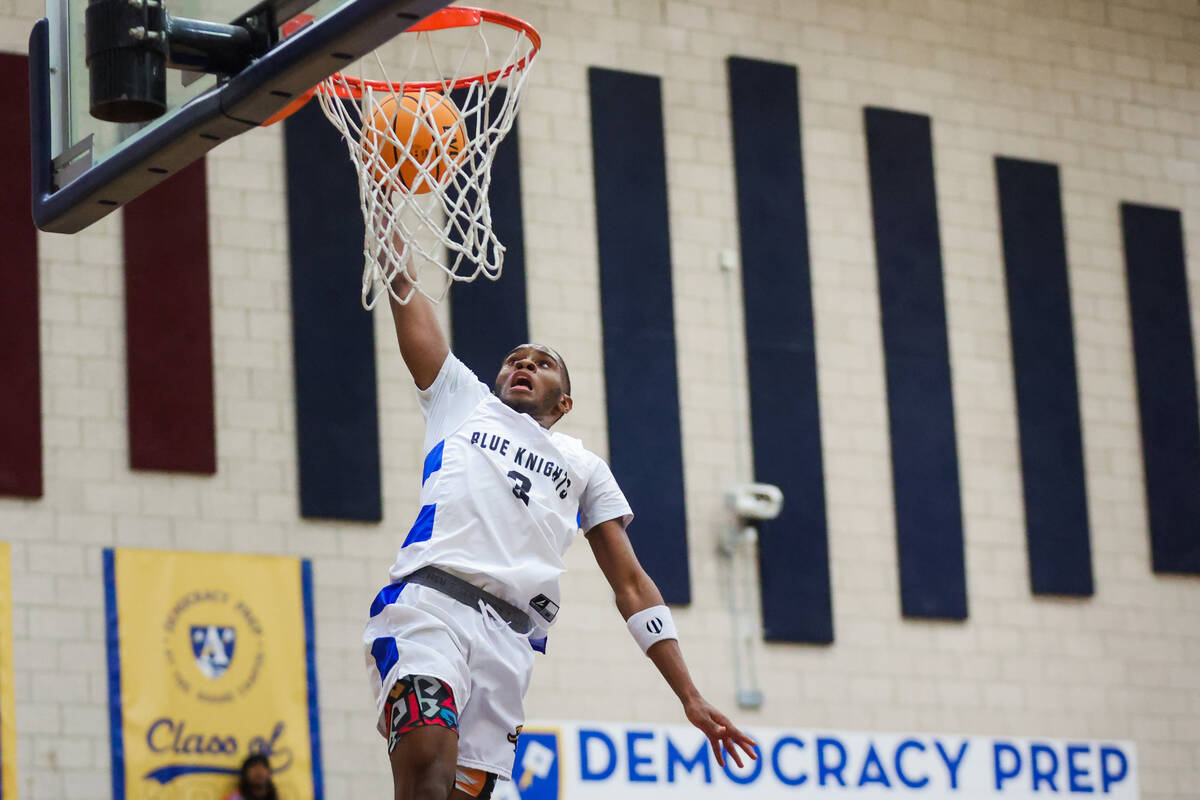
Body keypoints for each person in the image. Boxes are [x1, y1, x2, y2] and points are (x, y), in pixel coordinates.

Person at [365, 275, 757, 800]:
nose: (523, 364)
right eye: (514, 359)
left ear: (564, 403)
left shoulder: (584, 467)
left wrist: (689, 694)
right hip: (430, 608)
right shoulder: (461, 401)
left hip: (508, 641)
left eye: (541, 362)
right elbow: (413, 315)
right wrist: (394, 245)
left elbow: (633, 585)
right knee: (427, 760)